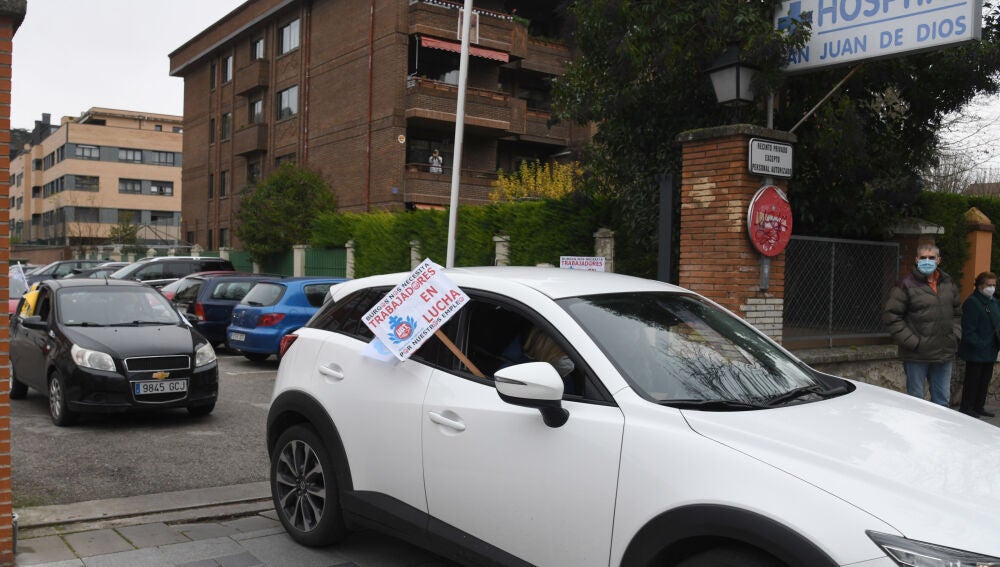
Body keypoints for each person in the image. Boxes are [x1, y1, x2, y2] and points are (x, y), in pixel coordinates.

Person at [882, 243, 962, 407]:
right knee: (916, 403)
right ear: (916, 259)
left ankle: (940, 433)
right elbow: (892, 316)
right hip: (916, 356)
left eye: (931, 257)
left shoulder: (948, 283)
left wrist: (955, 335)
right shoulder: (905, 284)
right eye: (923, 257)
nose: (927, 261)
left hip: (944, 352)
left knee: (942, 402)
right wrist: (914, 342)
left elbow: (957, 313)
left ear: (938, 260)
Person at [957, 271, 1000, 418]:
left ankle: (978, 406)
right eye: (989, 285)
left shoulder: (993, 302)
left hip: (991, 349)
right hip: (976, 350)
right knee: (973, 380)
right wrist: (979, 343)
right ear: (980, 285)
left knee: (984, 381)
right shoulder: (973, 302)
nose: (992, 288)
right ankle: (967, 407)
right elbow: (969, 329)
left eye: (994, 285)